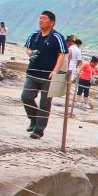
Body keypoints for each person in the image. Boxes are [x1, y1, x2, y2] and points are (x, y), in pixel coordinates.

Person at [21, 11, 67, 140]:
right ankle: (34, 119)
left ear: (52, 22)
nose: (40, 20)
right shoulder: (34, 35)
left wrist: (55, 70)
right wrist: (30, 53)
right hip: (32, 73)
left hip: (49, 76)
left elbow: (61, 54)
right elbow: (28, 48)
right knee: (26, 97)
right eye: (40, 18)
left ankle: (39, 130)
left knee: (45, 103)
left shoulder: (57, 37)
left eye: (44, 18)